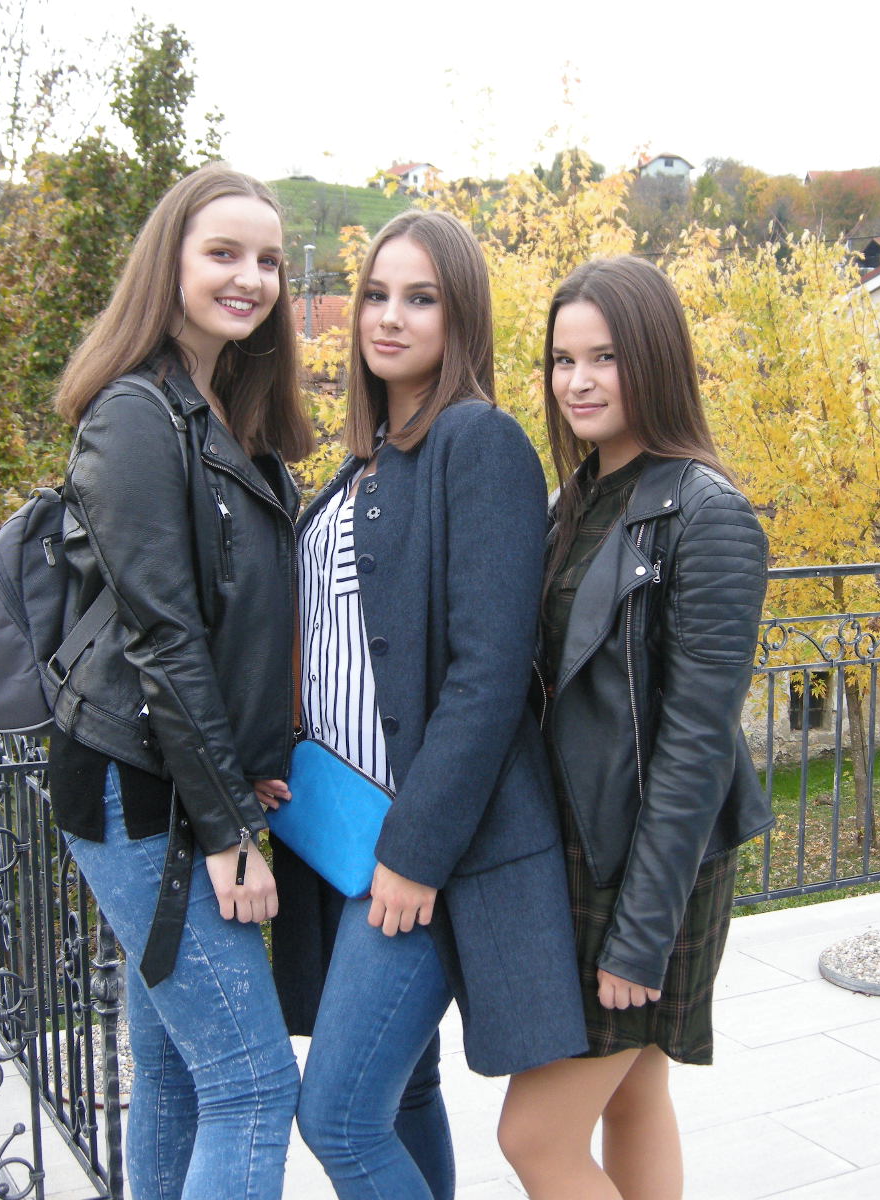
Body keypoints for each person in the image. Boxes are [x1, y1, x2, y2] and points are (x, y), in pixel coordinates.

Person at [270, 209, 587, 1199]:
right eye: (375, 295)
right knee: (401, 1090)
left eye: (420, 298)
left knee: (335, 1114)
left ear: (461, 319)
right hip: (342, 836)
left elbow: (489, 673)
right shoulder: (361, 465)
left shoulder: (477, 442)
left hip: (423, 848)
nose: (389, 317)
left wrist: (415, 852)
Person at [47, 164, 314, 1200]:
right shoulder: (133, 415)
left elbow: (238, 623)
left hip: (185, 776)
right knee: (253, 1085)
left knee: (173, 1073)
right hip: (135, 785)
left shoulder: (226, 417)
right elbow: (164, 637)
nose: (251, 278)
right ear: (171, 262)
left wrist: (249, 761)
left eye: (269, 261)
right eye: (224, 253)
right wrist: (230, 830)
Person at [497, 256, 772, 1200]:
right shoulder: (576, 499)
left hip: (651, 866)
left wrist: (640, 934)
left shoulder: (708, 514)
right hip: (586, 847)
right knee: (635, 1090)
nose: (577, 381)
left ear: (653, 359)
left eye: (604, 357)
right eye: (563, 359)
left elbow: (697, 745)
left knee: (533, 1138)